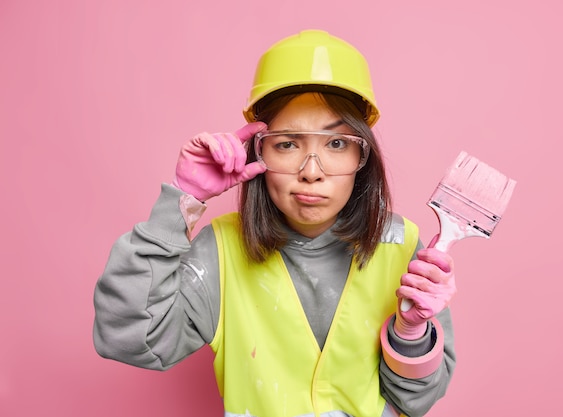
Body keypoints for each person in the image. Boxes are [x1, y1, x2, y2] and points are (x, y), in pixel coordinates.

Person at [93, 29, 457, 417]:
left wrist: (411, 331)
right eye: (287, 144)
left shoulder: (401, 245)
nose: (311, 172)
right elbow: (128, 338)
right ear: (259, 152)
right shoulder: (221, 252)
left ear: (363, 156)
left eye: (336, 144)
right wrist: (184, 199)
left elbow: (417, 400)